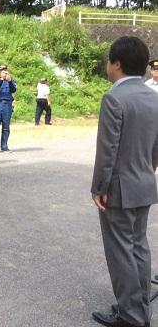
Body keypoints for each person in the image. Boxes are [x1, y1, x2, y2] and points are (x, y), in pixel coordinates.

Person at [91, 36, 158, 327]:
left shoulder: (114, 98)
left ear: (116, 64)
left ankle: (131, 316)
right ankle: (140, 308)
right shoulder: (154, 97)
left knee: (121, 254)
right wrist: (145, 170)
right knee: (139, 248)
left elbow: (108, 151)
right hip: (144, 183)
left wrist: (99, 188)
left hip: (118, 189)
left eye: (109, 61)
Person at [0, 63, 17, 152]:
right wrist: (1, 80)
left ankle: (4, 145)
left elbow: (13, 90)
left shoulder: (10, 80)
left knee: (6, 127)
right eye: (2, 71)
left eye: (5, 71)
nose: (4, 73)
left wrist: (9, 81)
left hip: (7, 105)